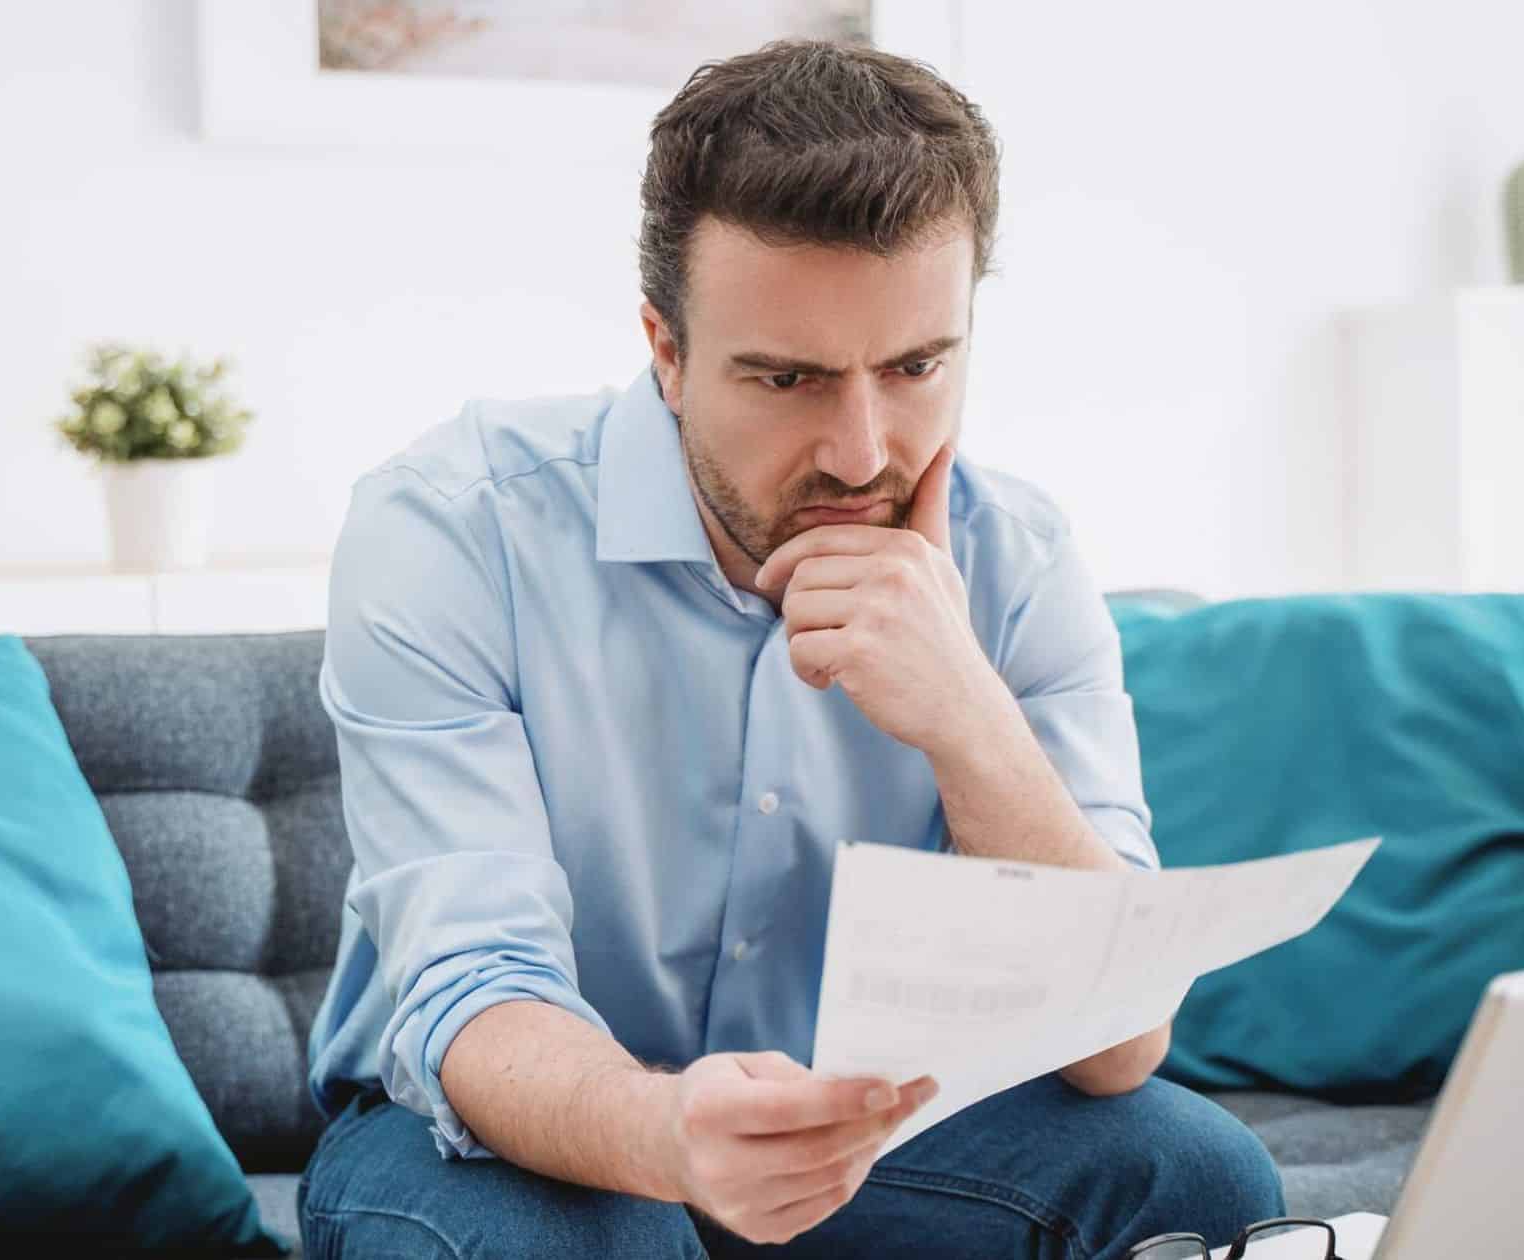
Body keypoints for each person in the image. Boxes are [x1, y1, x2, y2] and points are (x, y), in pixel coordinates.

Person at [297, 38, 1283, 1259]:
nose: (864, 452)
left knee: (1196, 1173)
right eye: (786, 379)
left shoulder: (1014, 554)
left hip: (862, 1129)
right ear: (665, 348)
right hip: (501, 1129)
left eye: (916, 367)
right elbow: (475, 994)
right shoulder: (453, 525)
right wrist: (668, 1135)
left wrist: (966, 717)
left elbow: (1116, 1050)